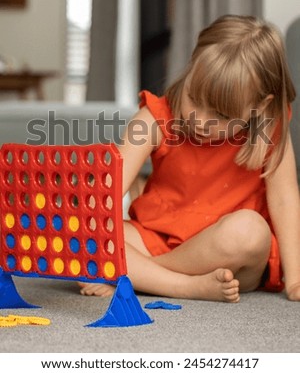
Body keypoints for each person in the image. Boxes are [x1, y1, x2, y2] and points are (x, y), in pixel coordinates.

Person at [79, 15, 300, 302]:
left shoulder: (270, 123)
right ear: (191, 66)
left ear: (260, 106)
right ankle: (183, 286)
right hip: (155, 238)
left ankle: (138, 276)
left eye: (221, 115)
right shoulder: (154, 118)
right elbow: (106, 191)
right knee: (88, 228)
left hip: (226, 254)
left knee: (250, 231)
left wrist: (295, 279)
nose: (201, 121)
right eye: (194, 98)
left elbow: (284, 197)